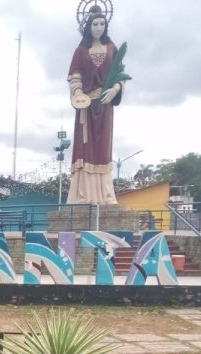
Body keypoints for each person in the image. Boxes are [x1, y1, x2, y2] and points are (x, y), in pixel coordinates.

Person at [67, 4, 124, 205]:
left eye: (102, 24)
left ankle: (106, 195)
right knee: (85, 147)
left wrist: (116, 89)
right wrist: (78, 92)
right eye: (94, 24)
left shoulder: (112, 48)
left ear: (106, 26)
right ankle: (82, 195)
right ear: (88, 25)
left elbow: (120, 75)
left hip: (105, 104)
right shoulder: (81, 51)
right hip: (86, 106)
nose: (98, 27)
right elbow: (74, 78)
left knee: (102, 147)